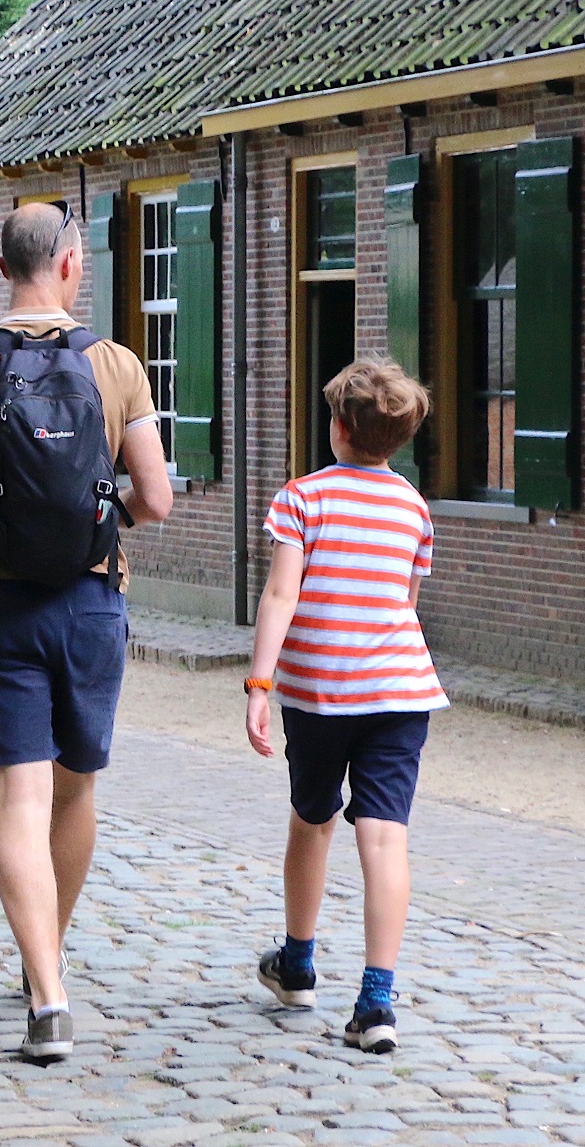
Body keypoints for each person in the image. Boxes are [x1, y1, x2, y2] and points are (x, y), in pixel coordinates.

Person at [0, 199, 174, 1062]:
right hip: (92, 599)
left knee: (18, 798)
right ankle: (47, 955)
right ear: (65, 264)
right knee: (75, 786)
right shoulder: (118, 364)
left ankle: (47, 994)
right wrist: (98, 515)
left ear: (3, 269)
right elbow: (155, 499)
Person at [244, 359, 441, 1056]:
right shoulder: (414, 508)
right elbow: (405, 607)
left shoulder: (302, 499)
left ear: (337, 427)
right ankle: (377, 999)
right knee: (384, 835)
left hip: (321, 694)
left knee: (313, 817)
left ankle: (298, 964)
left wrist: (260, 685)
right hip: (400, 692)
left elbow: (279, 597)